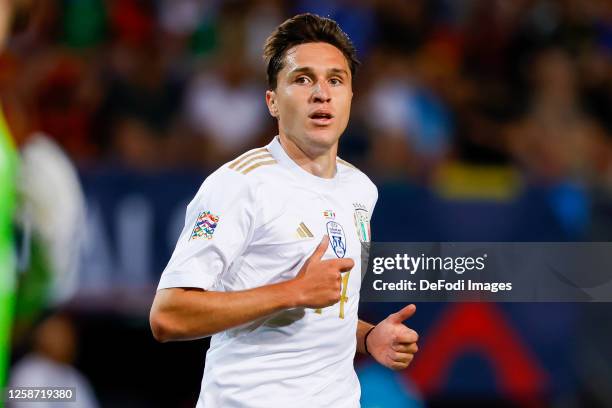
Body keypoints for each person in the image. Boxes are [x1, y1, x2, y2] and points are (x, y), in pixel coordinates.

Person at [150, 13, 419, 407]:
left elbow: (324, 314)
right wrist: (292, 291)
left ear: (350, 98)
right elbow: (168, 316)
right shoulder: (239, 184)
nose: (321, 93)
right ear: (272, 101)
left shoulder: (361, 189)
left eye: (335, 80)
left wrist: (365, 336)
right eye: (302, 79)